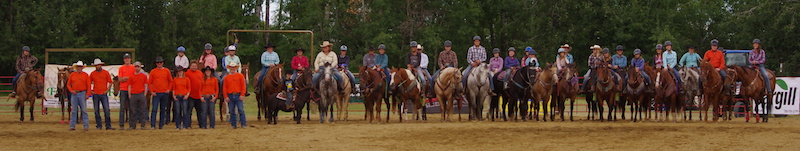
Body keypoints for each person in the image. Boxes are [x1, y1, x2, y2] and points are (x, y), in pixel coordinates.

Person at [89, 58, 115, 130]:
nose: (98, 66)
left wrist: (107, 90)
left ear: (101, 65)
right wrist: (91, 91)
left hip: (103, 94)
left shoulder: (105, 73)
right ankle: (99, 125)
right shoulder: (92, 74)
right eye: (96, 65)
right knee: (96, 111)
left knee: (106, 110)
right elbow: (88, 83)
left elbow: (110, 82)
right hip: (96, 94)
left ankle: (108, 125)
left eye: (98, 65)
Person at [148, 56, 173, 130]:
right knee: (154, 109)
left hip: (164, 93)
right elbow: (150, 82)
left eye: (160, 62)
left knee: (163, 109)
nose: (159, 64)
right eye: (158, 62)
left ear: (163, 63)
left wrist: (169, 89)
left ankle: (161, 125)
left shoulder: (166, 71)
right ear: (156, 63)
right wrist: (151, 91)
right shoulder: (153, 71)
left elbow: (171, 81)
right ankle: (153, 125)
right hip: (156, 93)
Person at [67, 61, 90, 131]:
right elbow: (68, 84)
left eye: (80, 67)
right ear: (76, 68)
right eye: (78, 67)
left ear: (82, 68)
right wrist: (71, 91)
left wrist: (87, 94)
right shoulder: (72, 75)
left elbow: (88, 86)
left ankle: (86, 126)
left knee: (83, 110)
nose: (79, 68)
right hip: (74, 93)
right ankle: (72, 125)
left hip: (82, 93)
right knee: (74, 110)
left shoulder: (86, 75)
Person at [223, 62, 247, 129]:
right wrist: (226, 96)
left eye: (234, 67)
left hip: (238, 95)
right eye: (231, 67)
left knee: (241, 110)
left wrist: (242, 94)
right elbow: (224, 88)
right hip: (230, 95)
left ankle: (243, 123)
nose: (232, 69)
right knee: (231, 111)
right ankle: (233, 124)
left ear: (236, 68)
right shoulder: (227, 77)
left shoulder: (240, 76)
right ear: (229, 68)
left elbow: (243, 86)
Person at [127, 62, 148, 130]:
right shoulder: (131, 76)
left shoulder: (143, 76)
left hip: (141, 94)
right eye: (136, 67)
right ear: (134, 67)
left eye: (138, 66)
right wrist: (130, 94)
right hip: (133, 94)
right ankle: (132, 125)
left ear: (140, 67)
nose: (137, 68)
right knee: (133, 111)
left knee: (142, 110)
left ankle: (143, 125)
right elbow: (129, 86)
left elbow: (146, 85)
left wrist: (144, 94)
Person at [117, 53, 135, 130]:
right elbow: (120, 79)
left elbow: (134, 78)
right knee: (122, 107)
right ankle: (121, 124)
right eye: (125, 58)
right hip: (123, 89)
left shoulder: (133, 67)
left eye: (128, 58)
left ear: (130, 59)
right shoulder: (121, 68)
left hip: (131, 90)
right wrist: (128, 78)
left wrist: (125, 78)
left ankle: (131, 124)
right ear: (124, 59)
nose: (127, 60)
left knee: (132, 107)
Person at [185, 61, 205, 129]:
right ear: (190, 66)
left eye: (195, 66)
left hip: (199, 95)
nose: (194, 67)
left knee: (200, 111)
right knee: (189, 111)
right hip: (191, 95)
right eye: (193, 66)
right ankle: (188, 125)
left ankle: (201, 124)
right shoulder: (187, 73)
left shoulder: (200, 73)